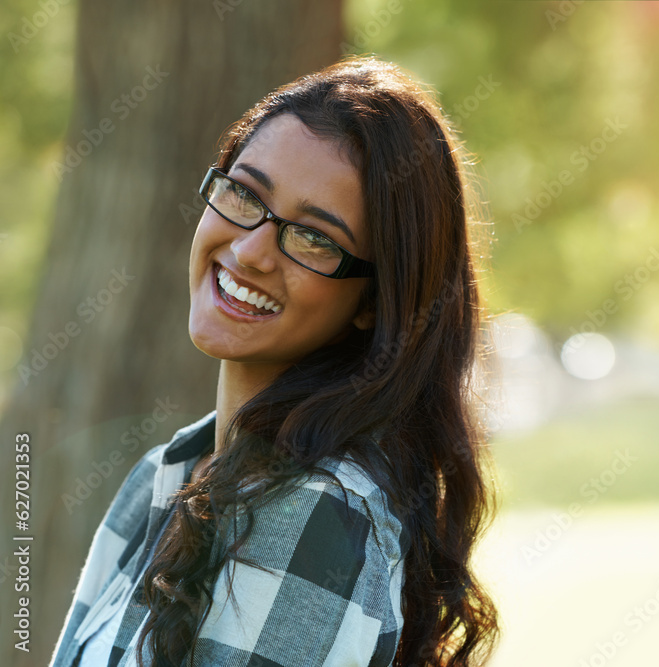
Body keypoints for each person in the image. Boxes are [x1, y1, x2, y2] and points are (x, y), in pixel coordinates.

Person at [49, 56, 500, 667]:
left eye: (315, 237)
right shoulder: (162, 475)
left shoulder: (315, 514)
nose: (251, 250)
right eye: (243, 193)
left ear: (373, 303)